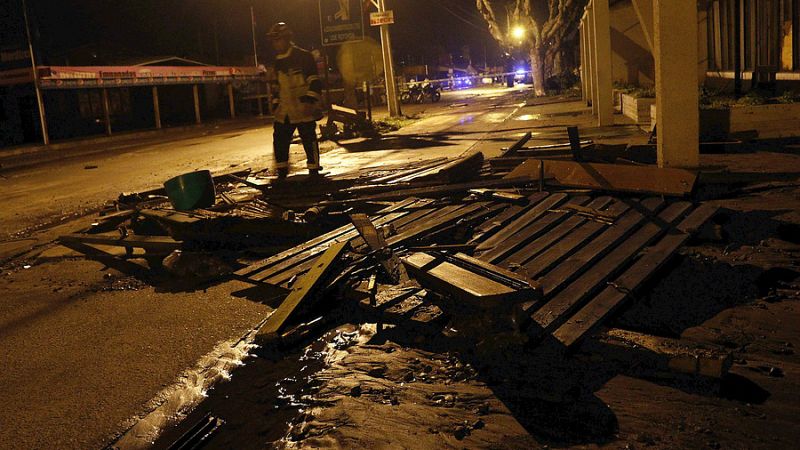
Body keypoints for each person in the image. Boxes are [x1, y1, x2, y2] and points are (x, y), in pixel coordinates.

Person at [267, 22, 323, 179]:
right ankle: (282, 172)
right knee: (279, 139)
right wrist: (275, 104)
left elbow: (315, 82)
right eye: (273, 41)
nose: (275, 44)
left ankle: (314, 171)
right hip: (284, 111)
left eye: (278, 40)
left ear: (286, 39)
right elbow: (277, 87)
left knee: (308, 139)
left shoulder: (303, 57)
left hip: (302, 107)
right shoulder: (278, 62)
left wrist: (310, 102)